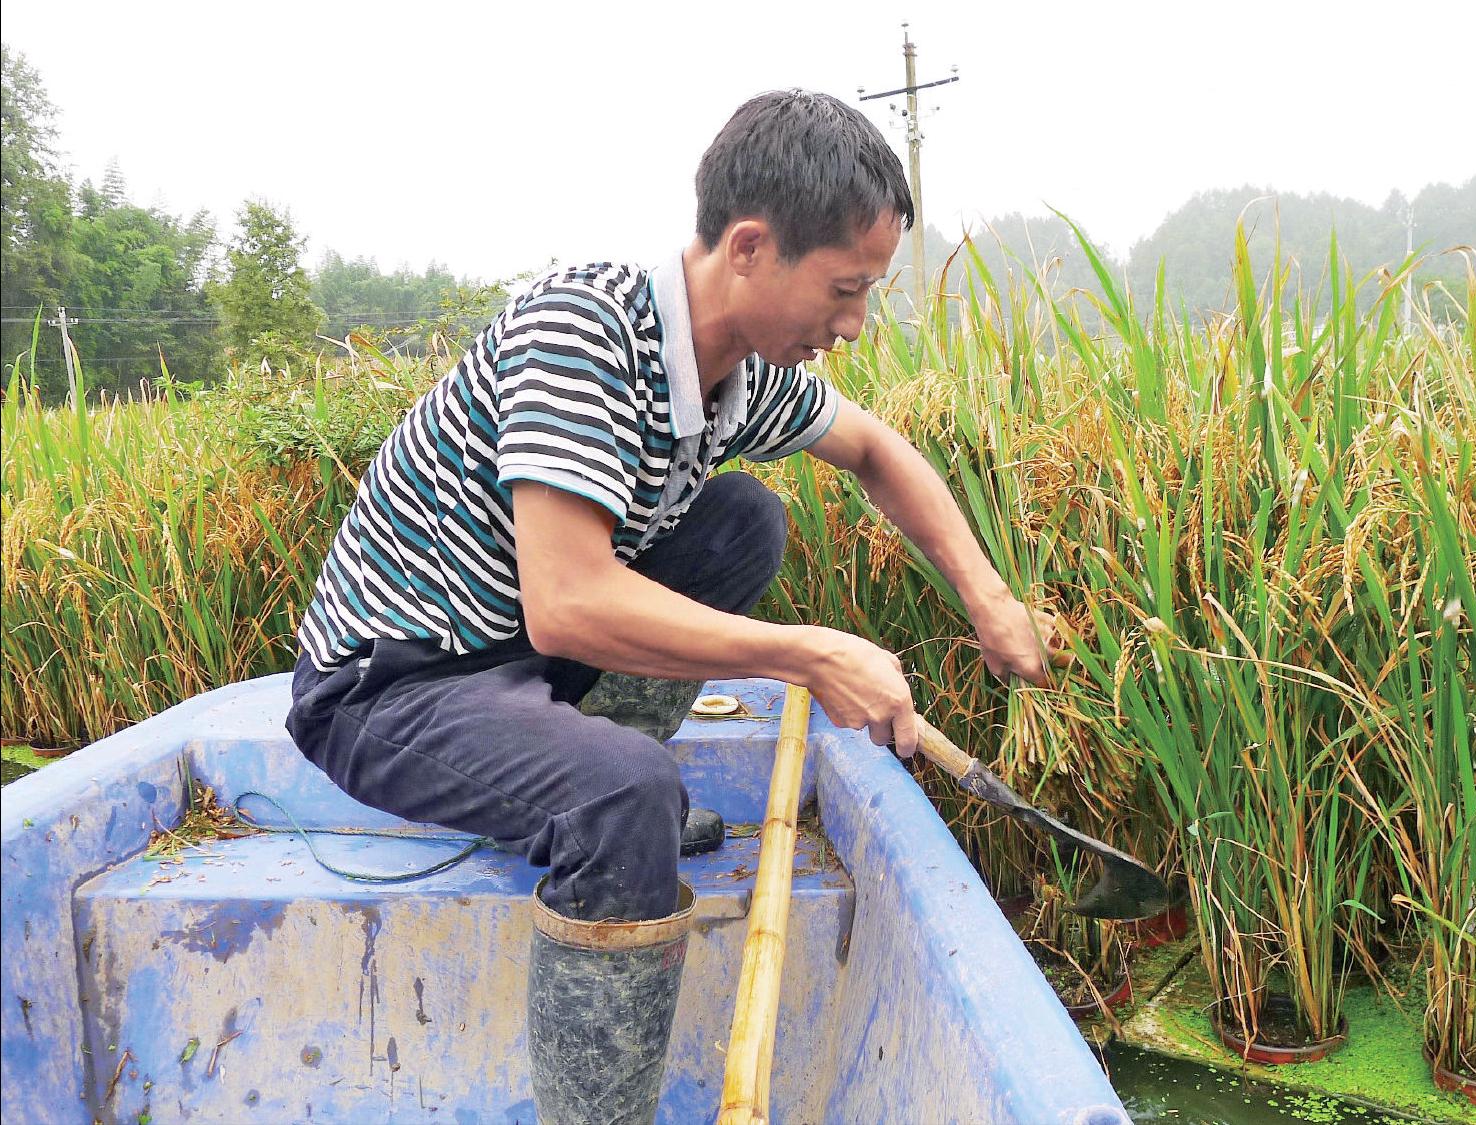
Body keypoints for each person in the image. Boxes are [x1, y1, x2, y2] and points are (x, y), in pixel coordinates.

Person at [283, 88, 1058, 1123]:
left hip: (514, 657)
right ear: (748, 247)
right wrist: (808, 654)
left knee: (741, 519)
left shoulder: (743, 368)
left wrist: (991, 602)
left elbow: (878, 450)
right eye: (842, 289)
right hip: (395, 686)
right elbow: (565, 603)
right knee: (621, 794)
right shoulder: (586, 331)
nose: (854, 325)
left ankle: (582, 769)